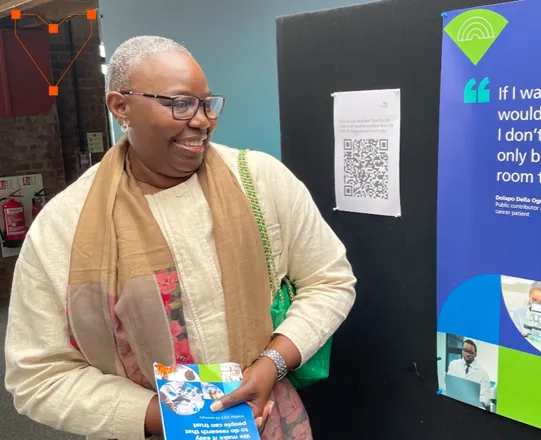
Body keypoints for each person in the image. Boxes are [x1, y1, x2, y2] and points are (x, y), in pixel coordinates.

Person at [4, 35, 357, 440]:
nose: (202, 120)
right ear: (121, 107)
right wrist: (172, 418)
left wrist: (270, 364)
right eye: (180, 103)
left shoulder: (260, 181)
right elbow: (38, 375)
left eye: (207, 103)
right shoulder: (64, 225)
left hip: (266, 421)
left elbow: (330, 281)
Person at [446, 339, 492, 409]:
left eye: (470, 352)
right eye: (465, 350)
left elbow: (486, 399)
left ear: (475, 354)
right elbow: (448, 385)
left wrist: (472, 401)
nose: (467, 354)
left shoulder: (483, 374)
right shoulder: (453, 365)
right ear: (462, 351)